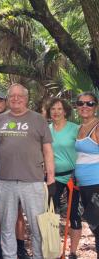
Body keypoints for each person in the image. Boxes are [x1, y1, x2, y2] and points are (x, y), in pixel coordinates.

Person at [0, 83, 54, 259]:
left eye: (20, 96)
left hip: (33, 181)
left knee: (37, 226)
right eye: (12, 96)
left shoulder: (38, 119)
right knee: (7, 226)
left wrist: (51, 178)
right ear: (8, 99)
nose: (16, 99)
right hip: (4, 181)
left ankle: (39, 256)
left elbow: (47, 150)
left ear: (26, 99)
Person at [0, 91, 29, 259]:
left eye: (0, 101)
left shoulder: (18, 119)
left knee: (18, 213)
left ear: (6, 102)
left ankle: (20, 248)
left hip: (16, 173)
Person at [46, 98, 81, 259]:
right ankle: (53, 250)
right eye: (53, 109)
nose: (56, 112)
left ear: (65, 111)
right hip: (54, 178)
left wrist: (79, 172)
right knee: (51, 214)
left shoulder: (75, 129)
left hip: (73, 177)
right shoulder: (47, 129)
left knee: (74, 214)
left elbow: (85, 151)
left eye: (59, 109)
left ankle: (72, 252)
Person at [75, 92, 99, 255]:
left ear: (95, 107)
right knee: (94, 225)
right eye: (81, 103)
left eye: (89, 103)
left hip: (97, 184)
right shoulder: (79, 128)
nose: (85, 106)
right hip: (84, 186)